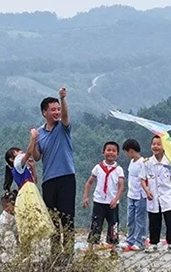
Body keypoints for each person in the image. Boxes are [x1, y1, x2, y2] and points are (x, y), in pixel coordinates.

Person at [33, 87, 75, 259]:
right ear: (44, 112)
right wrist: (33, 140)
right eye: (53, 109)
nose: (57, 112)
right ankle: (55, 254)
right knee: (53, 219)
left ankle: (69, 254)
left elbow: (65, 116)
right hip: (49, 180)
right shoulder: (40, 133)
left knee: (67, 217)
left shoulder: (63, 127)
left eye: (58, 109)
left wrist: (62, 98)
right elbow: (37, 157)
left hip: (66, 177)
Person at [12, 128, 55, 256]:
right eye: (17, 152)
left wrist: (33, 168)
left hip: (31, 190)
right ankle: (26, 250)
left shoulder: (24, 168)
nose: (20, 152)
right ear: (11, 158)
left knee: (33, 218)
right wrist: (33, 138)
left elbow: (34, 180)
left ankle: (29, 250)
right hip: (27, 193)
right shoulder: (17, 164)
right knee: (30, 217)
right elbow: (29, 152)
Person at [83, 141, 125, 255]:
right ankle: (91, 248)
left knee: (113, 225)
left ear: (117, 154)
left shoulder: (119, 169)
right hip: (99, 201)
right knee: (96, 224)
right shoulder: (98, 167)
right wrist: (86, 196)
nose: (111, 153)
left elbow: (121, 185)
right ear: (103, 152)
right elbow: (89, 182)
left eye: (114, 151)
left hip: (112, 203)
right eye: (108, 150)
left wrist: (116, 199)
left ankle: (113, 249)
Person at [145, 136, 171, 255]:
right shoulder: (148, 163)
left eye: (158, 144)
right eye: (153, 144)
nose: (155, 146)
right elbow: (142, 179)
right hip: (153, 197)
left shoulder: (169, 163)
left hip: (167, 197)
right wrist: (147, 191)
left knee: (169, 221)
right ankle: (153, 243)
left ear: (164, 147)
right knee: (154, 221)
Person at [123, 138, 151, 251]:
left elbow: (145, 179)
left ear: (131, 151)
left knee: (140, 219)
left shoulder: (143, 163)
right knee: (131, 219)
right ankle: (130, 240)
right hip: (131, 195)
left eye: (126, 152)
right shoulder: (132, 162)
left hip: (140, 195)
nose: (126, 154)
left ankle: (140, 241)